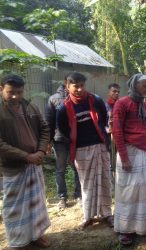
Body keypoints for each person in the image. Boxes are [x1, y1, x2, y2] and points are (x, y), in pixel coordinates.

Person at [56, 72, 113, 229]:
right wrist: (75, 140)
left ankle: (107, 214)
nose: (80, 89)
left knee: (105, 181)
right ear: (67, 86)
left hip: (100, 146)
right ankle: (88, 216)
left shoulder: (96, 100)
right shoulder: (63, 108)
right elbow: (62, 129)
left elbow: (103, 118)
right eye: (76, 86)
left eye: (82, 85)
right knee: (86, 183)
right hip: (80, 150)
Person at [0, 74, 51, 248]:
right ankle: (17, 241)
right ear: (1, 90)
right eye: (10, 92)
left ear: (24, 90)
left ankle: (36, 235)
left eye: (19, 92)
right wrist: (26, 156)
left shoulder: (31, 107)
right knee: (13, 207)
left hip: (34, 163)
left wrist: (41, 150)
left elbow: (44, 128)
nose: (15, 96)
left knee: (35, 203)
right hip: (14, 167)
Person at [112, 74, 146, 245]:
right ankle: (125, 229)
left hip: (142, 155)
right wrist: (124, 158)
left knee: (141, 192)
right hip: (128, 154)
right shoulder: (121, 103)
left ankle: (140, 226)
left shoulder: (144, 105)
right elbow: (117, 132)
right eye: (144, 86)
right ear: (135, 86)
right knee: (127, 193)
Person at [45, 74, 81, 209]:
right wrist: (48, 141)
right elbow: (49, 122)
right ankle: (62, 198)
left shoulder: (79, 98)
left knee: (78, 167)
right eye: (73, 83)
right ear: (66, 83)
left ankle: (78, 195)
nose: (77, 87)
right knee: (60, 169)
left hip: (76, 139)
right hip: (59, 140)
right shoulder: (54, 99)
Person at [104, 83, 120, 185]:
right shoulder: (104, 106)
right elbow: (99, 121)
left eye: (118, 92)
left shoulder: (121, 104)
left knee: (118, 159)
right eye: (114, 91)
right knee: (109, 159)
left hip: (119, 136)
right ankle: (110, 182)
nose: (116, 93)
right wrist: (106, 128)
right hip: (108, 136)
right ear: (109, 92)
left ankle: (118, 181)